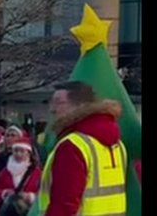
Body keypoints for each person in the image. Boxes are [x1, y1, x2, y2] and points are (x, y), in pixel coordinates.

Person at [38, 81, 126, 216]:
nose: (52, 109)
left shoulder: (72, 145)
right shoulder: (118, 145)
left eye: (58, 102)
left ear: (79, 106)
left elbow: (64, 205)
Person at [0, 136, 40, 216]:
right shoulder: (6, 171)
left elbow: (43, 192)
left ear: (29, 153)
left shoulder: (36, 172)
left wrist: (30, 196)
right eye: (16, 151)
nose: (18, 154)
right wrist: (5, 193)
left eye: (22, 151)